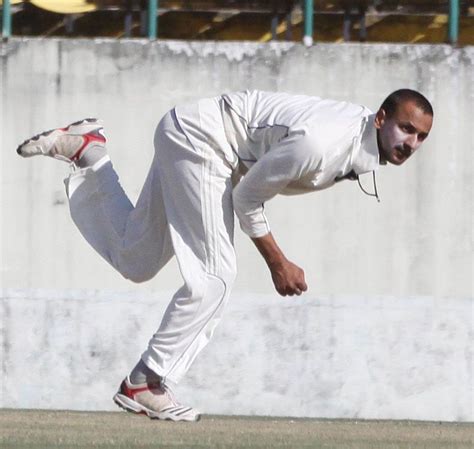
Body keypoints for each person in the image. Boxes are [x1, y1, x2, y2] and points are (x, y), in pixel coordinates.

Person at [16, 88, 433, 422]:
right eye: (406, 129)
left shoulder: (357, 141)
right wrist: (279, 263)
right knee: (214, 277)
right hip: (203, 141)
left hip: (202, 137)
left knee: (136, 260)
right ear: (381, 119)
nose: (411, 143)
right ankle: (145, 382)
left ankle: (88, 154)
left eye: (420, 137)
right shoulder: (321, 144)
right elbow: (247, 197)